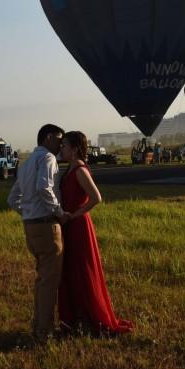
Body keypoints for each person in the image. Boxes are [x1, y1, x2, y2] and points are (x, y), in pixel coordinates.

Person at [57, 130, 132, 336]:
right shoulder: (70, 168)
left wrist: (74, 215)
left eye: (64, 145)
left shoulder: (80, 170)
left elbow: (96, 197)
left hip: (79, 226)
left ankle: (90, 317)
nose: (61, 149)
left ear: (74, 149)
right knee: (73, 271)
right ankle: (79, 317)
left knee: (83, 270)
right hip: (70, 225)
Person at [7, 124, 70, 343]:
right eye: (59, 140)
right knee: (50, 282)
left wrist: (28, 212)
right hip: (46, 226)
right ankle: (45, 332)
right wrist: (59, 212)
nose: (61, 145)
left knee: (42, 280)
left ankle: (39, 325)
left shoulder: (25, 165)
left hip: (30, 227)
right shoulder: (48, 158)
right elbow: (45, 187)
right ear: (49, 137)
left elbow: (12, 198)